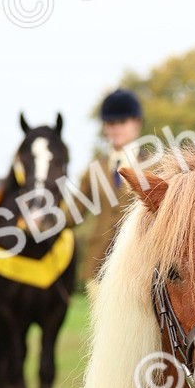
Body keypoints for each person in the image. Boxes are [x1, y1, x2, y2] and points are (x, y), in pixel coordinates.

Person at [79, 87, 144, 286]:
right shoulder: (94, 169)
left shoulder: (155, 165)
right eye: (110, 123)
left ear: (136, 123)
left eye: (122, 122)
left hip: (140, 267)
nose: (116, 129)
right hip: (98, 266)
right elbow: (74, 211)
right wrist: (42, 219)